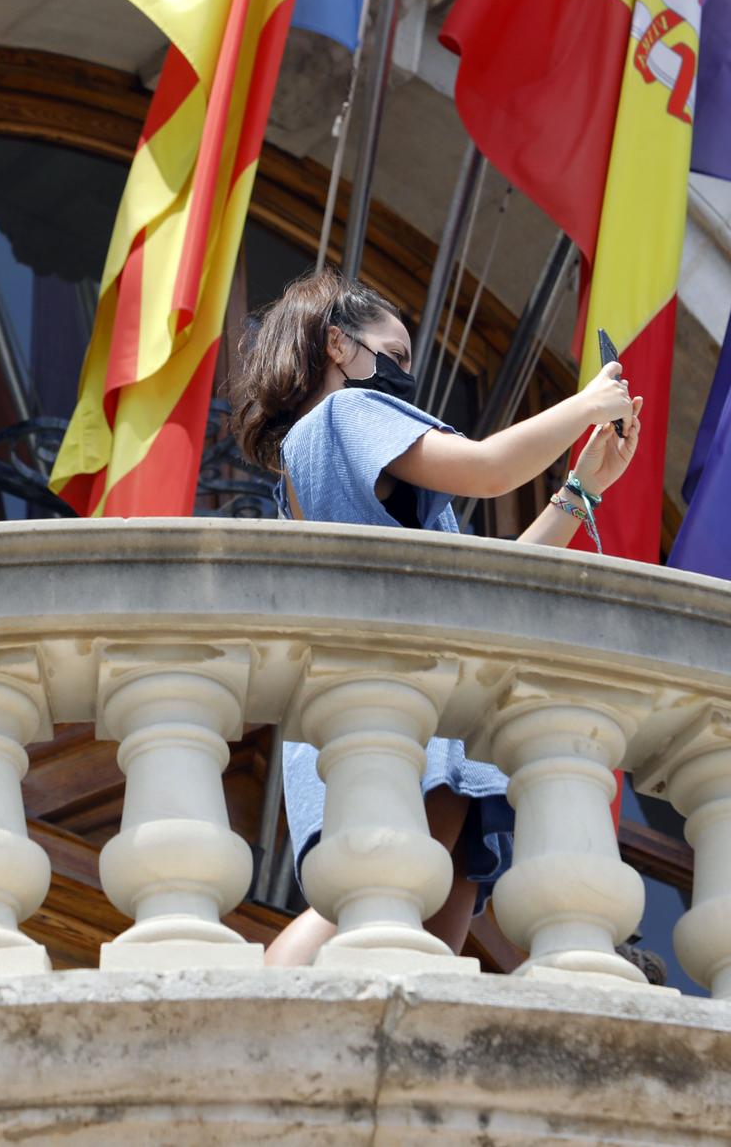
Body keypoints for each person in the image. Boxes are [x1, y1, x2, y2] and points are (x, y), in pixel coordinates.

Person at [229, 271, 642, 966]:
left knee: (402, 931)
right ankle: (254, 1021)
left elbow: (491, 592)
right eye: (399, 353)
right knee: (382, 909)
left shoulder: (312, 462)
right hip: (409, 712)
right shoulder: (345, 414)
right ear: (338, 344)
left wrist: (580, 489)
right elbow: (486, 468)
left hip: (395, 711)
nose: (407, 375)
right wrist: (587, 404)